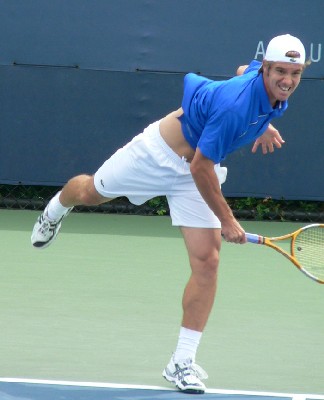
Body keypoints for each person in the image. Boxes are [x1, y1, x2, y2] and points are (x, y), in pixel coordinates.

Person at [31, 34, 308, 394]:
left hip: (195, 169)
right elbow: (201, 167)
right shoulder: (235, 107)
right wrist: (227, 220)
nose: (287, 80)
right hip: (157, 154)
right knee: (90, 193)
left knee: (208, 262)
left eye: (295, 72)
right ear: (267, 68)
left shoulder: (269, 87)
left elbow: (244, 69)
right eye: (280, 71)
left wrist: (265, 122)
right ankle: (55, 209)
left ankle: (181, 362)